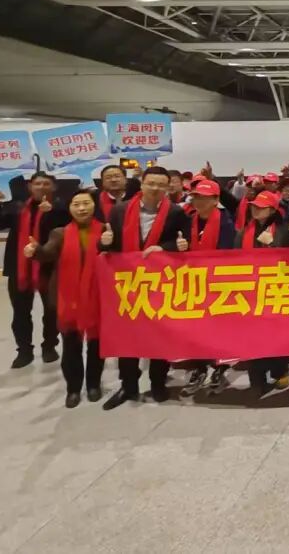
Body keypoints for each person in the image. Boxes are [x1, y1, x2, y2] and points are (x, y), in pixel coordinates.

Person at [100, 166, 190, 409]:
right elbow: (109, 244)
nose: (155, 188)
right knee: (127, 336)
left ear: (168, 187)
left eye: (161, 184)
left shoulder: (176, 212)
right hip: (128, 283)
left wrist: (166, 247)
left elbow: (185, 242)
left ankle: (158, 383)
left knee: (160, 334)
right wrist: (104, 242)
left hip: (160, 283)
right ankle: (128, 386)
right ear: (141, 184)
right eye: (151, 183)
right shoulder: (120, 210)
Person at [22, 190, 103, 407]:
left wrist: (108, 243)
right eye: (76, 204)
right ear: (70, 208)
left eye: (86, 203)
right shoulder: (60, 233)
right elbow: (47, 253)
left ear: (94, 206)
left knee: (96, 346)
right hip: (69, 299)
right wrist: (35, 251)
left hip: (98, 298)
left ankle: (94, 385)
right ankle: (73, 389)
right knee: (71, 347)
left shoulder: (105, 231)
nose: (82, 208)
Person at [0, 171, 69, 369]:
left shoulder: (62, 208)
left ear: (54, 187)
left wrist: (53, 212)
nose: (41, 187)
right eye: (37, 184)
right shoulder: (16, 208)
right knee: (20, 313)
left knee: (52, 311)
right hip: (19, 268)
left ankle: (49, 346)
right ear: (30, 187)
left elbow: (68, 231)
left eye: (46, 183)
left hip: (49, 267)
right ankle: (24, 351)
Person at [237, 189, 289, 395]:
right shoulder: (243, 232)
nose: (256, 210)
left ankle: (280, 372)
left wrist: (272, 244)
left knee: (276, 335)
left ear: (272, 210)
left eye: (261, 207)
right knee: (252, 337)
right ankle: (257, 379)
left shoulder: (283, 230)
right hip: (250, 291)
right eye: (254, 206)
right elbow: (232, 260)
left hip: (276, 290)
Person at [177, 178, 237, 397]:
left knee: (220, 330)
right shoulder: (188, 220)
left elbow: (228, 255)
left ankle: (220, 369)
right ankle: (199, 368)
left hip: (219, 285)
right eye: (196, 197)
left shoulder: (226, 222)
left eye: (204, 198)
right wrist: (180, 248)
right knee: (195, 331)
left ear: (215, 200)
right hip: (193, 284)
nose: (199, 202)